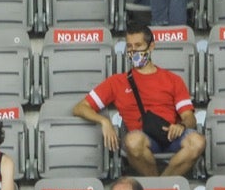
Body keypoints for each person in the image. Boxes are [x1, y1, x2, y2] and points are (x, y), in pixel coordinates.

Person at [72, 25, 205, 178]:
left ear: (151, 46)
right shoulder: (117, 82)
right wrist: (104, 121)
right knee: (133, 141)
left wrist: (181, 126)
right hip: (143, 138)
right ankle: (161, 187)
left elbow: (190, 118)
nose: (133, 51)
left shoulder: (173, 79)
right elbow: (80, 108)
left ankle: (158, 186)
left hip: (172, 136)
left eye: (138, 46)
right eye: (130, 47)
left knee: (198, 141)